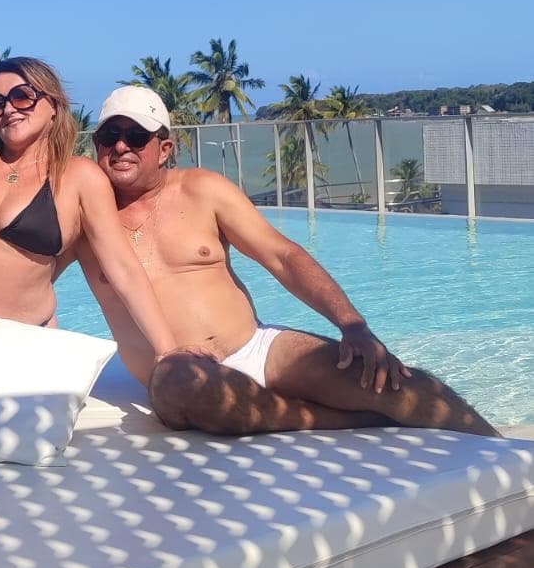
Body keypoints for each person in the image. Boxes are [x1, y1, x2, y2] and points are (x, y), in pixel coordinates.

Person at [55, 85, 499, 438]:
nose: (121, 147)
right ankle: (338, 420)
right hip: (177, 377)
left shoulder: (202, 190)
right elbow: (31, 282)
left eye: (136, 137)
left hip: (257, 348)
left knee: (396, 383)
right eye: (109, 137)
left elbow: (283, 256)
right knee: (185, 383)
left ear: (165, 148)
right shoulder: (81, 220)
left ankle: (508, 455)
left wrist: (353, 325)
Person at [0, 58, 177, 366]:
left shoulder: (79, 177)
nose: (8, 109)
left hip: (17, 343)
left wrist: (167, 350)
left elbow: (123, 270)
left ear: (53, 104)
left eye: (22, 96)